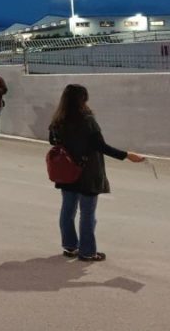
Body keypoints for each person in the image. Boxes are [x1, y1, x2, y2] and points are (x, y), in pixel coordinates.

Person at [48, 84, 145, 262]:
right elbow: (101, 146)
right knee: (87, 214)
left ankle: (70, 247)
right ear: (83, 99)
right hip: (88, 173)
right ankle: (87, 252)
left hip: (66, 172)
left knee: (67, 210)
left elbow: (53, 142)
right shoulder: (87, 120)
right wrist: (127, 155)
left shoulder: (57, 120)